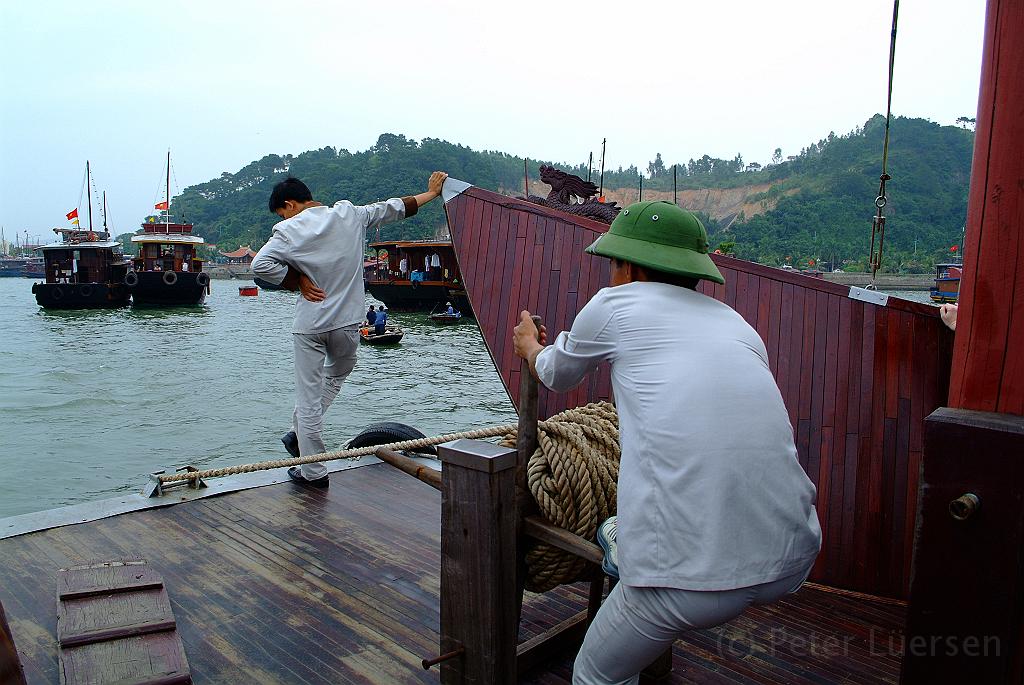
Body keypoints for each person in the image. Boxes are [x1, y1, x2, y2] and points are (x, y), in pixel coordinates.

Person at [512, 201, 821, 684]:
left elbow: (555, 373)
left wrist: (530, 345)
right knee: (622, 532)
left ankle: (628, 558)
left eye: (613, 264)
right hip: (792, 556)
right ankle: (624, 543)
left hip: (690, 580)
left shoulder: (614, 304)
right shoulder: (737, 324)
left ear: (630, 267)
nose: (611, 276)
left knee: (596, 674)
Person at [253, 171, 447, 487]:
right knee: (340, 369)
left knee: (308, 400)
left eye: (282, 211)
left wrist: (296, 280)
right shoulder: (349, 214)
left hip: (309, 326)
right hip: (346, 325)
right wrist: (431, 194)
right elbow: (394, 207)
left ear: (289, 205)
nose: (283, 216)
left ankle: (313, 472)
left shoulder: (287, 230)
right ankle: (298, 431)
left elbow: (260, 266)